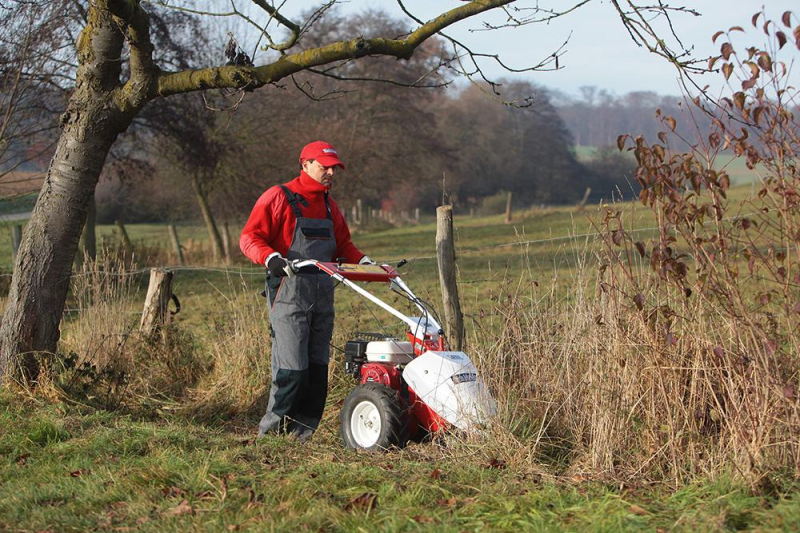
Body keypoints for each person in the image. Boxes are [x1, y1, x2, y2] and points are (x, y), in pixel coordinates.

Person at [240, 141, 372, 441]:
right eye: (323, 167)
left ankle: (301, 436)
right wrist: (270, 257)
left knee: (317, 372)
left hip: (323, 296)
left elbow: (344, 247)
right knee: (292, 370)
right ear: (305, 165)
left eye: (333, 168)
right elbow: (250, 237)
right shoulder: (279, 197)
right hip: (289, 295)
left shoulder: (330, 206)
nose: (330, 173)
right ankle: (272, 435)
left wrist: (366, 263)